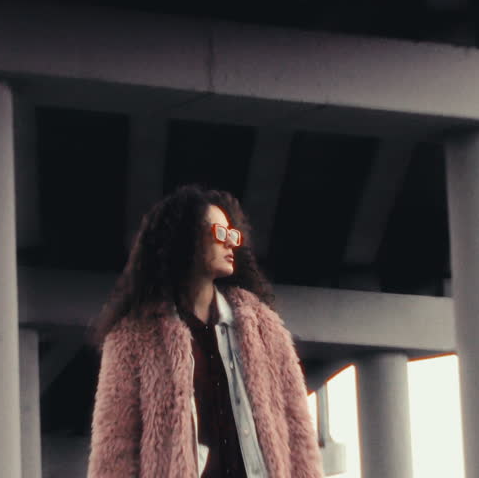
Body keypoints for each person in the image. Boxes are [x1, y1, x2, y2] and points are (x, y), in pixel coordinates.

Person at [87, 184, 324, 478]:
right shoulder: (133, 338)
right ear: (185, 239)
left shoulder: (265, 329)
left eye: (233, 234)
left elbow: (298, 433)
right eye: (219, 233)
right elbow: (115, 448)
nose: (230, 243)